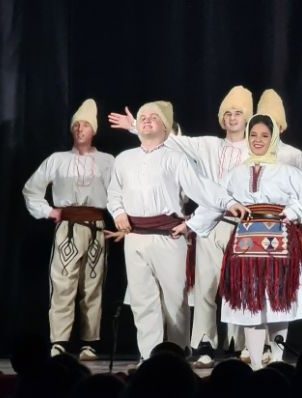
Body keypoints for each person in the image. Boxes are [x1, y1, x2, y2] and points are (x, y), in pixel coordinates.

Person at [108, 86, 255, 367]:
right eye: (143, 117)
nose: (147, 120)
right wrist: (117, 212)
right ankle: (149, 354)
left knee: (176, 301)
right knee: (143, 299)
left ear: (165, 127)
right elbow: (115, 192)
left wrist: (227, 201)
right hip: (137, 236)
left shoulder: (175, 159)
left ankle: (176, 353)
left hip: (170, 233)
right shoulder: (125, 159)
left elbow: (202, 187)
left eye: (154, 117)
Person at [205, 114, 302, 369]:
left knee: (278, 301)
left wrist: (294, 212)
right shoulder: (235, 173)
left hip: (280, 238)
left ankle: (278, 362)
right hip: (245, 242)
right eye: (254, 135)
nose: (258, 140)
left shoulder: (287, 171)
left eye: (264, 136)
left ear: (273, 139)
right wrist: (191, 224)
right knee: (251, 303)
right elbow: (214, 198)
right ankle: (256, 364)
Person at [23, 98, 115, 360]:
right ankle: (60, 340)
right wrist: (48, 210)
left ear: (93, 130)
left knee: (92, 284)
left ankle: (89, 343)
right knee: (63, 282)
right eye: (76, 125)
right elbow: (32, 189)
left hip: (97, 225)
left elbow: (120, 192)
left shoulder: (108, 161)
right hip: (68, 226)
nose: (79, 130)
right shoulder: (58, 159)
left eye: (85, 125)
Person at [256, 89, 302, 170]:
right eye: (265, 124)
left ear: (281, 128)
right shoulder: (247, 154)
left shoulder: (294, 155)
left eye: (274, 124)